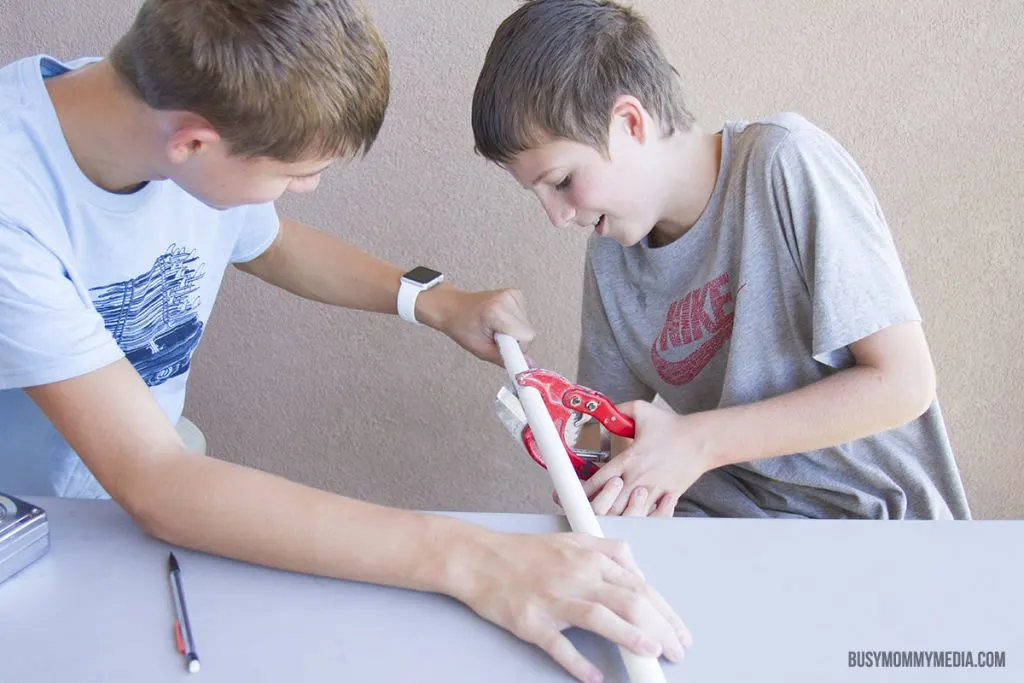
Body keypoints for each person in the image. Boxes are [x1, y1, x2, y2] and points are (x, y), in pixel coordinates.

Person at [0, 2, 689, 680]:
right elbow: (157, 480)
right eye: (295, 171)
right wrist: (474, 558)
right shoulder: (14, 203)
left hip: (123, 501)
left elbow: (265, 242)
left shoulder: (155, 107)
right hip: (34, 527)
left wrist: (435, 303)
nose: (308, 186)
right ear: (193, 143)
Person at [471, 0, 971, 520]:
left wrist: (696, 442)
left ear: (629, 123)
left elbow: (904, 384)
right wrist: (565, 434)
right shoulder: (611, 258)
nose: (555, 216)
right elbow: (612, 436)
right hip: (736, 536)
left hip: (882, 527)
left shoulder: (784, 163)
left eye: (560, 182)